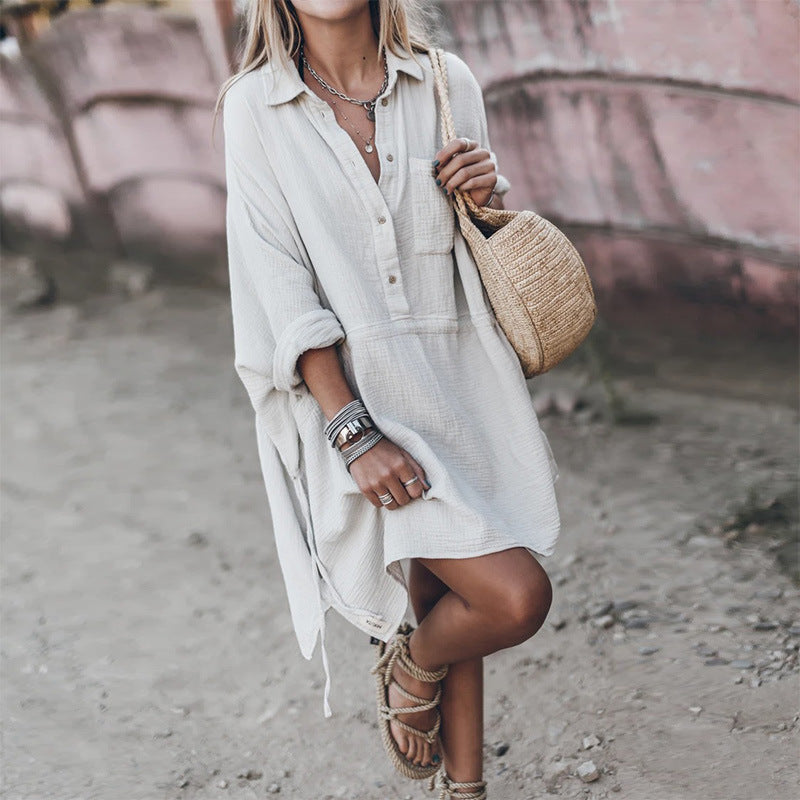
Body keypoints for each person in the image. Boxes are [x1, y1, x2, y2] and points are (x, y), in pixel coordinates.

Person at [213, 1, 561, 796]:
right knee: (514, 597)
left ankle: (460, 777)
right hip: (355, 399)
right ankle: (413, 663)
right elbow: (277, 282)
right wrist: (353, 431)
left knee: (451, 594)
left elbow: (471, 243)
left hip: (460, 383)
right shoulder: (255, 106)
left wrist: (483, 190)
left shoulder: (445, 81)